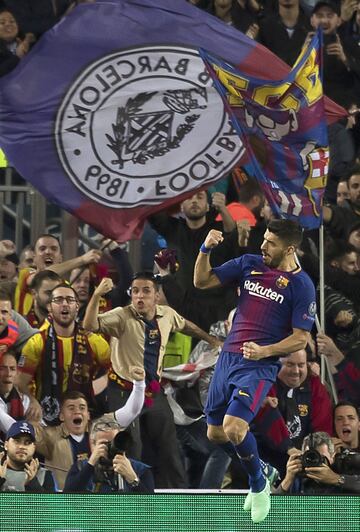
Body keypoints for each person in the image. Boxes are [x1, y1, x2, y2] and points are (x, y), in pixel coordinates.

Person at [193, 219, 316, 523]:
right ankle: (261, 467)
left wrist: (266, 351)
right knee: (215, 432)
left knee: (235, 427)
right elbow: (202, 281)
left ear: (289, 248)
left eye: (270, 242)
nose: (263, 246)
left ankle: (259, 486)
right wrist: (205, 248)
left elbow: (301, 338)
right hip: (228, 358)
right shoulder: (250, 263)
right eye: (263, 238)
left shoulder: (302, 285)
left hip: (258, 365)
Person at [83, 271, 222, 488]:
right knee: (132, 446)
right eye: (135, 291)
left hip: (153, 390)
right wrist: (97, 295)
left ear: (157, 296)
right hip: (123, 390)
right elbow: (89, 325)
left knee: (169, 446)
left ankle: (177, 501)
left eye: (146, 291)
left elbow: (185, 325)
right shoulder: (121, 316)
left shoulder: (166, 315)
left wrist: (211, 340)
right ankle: (132, 497)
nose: (139, 296)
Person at [0, 366, 146, 490]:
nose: (77, 411)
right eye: (71, 408)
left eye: (82, 408)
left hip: (97, 498)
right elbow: (16, 429)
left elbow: (131, 411)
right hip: (65, 503)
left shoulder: (100, 429)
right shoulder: (49, 435)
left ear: (88, 414)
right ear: (62, 416)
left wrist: (139, 384)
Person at [17, 283, 110, 424]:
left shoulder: (94, 341)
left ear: (77, 306)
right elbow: (20, 382)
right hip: (47, 418)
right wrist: (32, 400)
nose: (65, 304)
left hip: (84, 417)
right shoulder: (37, 342)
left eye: (70, 300)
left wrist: (100, 383)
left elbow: (113, 371)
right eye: (59, 300)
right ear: (49, 307)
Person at [254, 348, 333, 476]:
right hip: (264, 461)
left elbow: (322, 424)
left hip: (302, 463)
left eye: (301, 365)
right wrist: (289, 448)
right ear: (277, 364)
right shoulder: (265, 380)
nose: (296, 371)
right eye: (290, 364)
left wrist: (319, 453)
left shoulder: (314, 385)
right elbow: (268, 417)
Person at [14, 233, 102, 317]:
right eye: (42, 249)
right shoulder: (26, 274)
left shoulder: (66, 286)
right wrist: (82, 259)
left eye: (54, 249)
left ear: (60, 258)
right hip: (24, 331)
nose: (48, 252)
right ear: (34, 258)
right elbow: (44, 275)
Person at [64, 417, 154, 493]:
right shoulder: (80, 467)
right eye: (105, 443)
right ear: (93, 445)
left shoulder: (141, 470)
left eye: (114, 443)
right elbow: (66, 501)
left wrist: (133, 480)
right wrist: (90, 465)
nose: (111, 448)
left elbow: (151, 509)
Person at [275, 431, 360, 494]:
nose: (315, 461)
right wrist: (287, 480)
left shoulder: (344, 469)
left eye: (320, 457)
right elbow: (271, 512)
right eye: (310, 457)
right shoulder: (297, 479)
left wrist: (337, 479)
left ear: (332, 457)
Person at [0, 421, 55, 492]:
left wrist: (32, 483)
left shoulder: (44, 475)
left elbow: (49, 503)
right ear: (6, 445)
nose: (22, 447)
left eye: (27, 442)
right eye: (17, 441)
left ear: (34, 448)